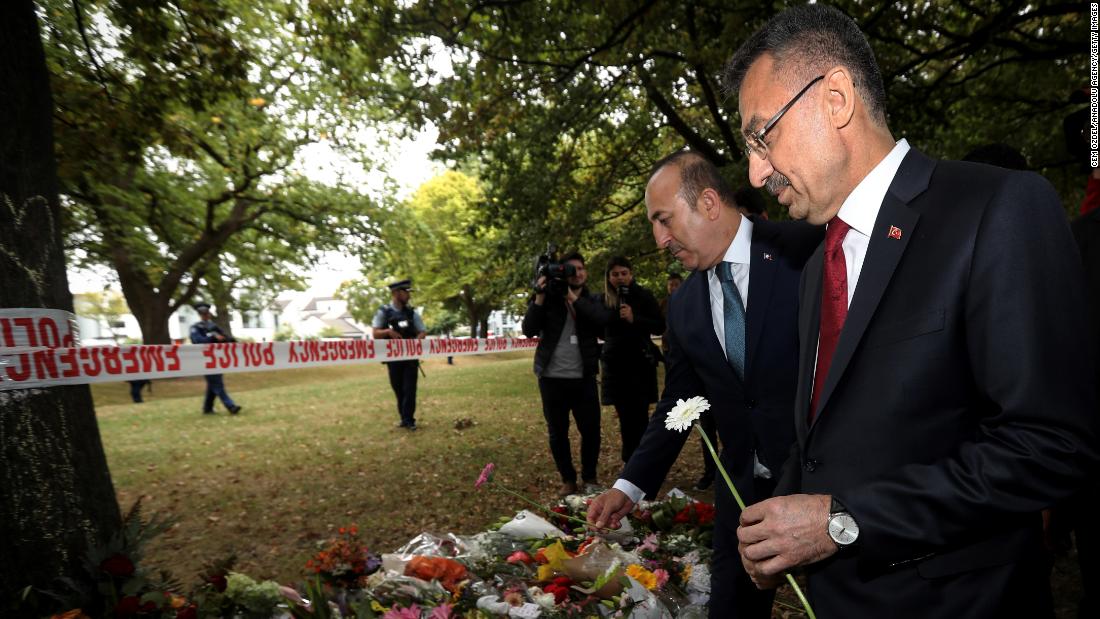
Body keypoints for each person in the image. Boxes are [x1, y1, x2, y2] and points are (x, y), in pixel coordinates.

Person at [724, 5, 1097, 617]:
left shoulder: (997, 209)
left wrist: (844, 521)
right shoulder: (820, 263)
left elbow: (1051, 445)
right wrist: (779, 527)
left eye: (762, 136)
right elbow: (824, 435)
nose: (756, 170)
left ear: (836, 99)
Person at [587, 150, 821, 619]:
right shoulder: (686, 304)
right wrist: (629, 486)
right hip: (741, 494)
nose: (659, 240)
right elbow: (680, 400)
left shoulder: (807, 250)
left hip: (822, 489)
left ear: (709, 203)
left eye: (664, 220)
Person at [522, 251, 605, 497]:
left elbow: (601, 323)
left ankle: (589, 477)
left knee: (590, 430)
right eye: (571, 269)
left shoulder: (593, 299)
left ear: (585, 272)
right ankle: (568, 479)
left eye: (580, 269)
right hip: (551, 378)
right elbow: (529, 330)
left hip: (584, 377)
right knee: (558, 432)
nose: (576, 273)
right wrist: (538, 295)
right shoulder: (547, 298)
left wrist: (573, 298)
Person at [597, 256, 664, 464]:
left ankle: (643, 463)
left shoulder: (643, 296)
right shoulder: (603, 300)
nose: (620, 278)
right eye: (615, 274)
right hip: (616, 367)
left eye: (624, 273)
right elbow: (599, 328)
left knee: (641, 419)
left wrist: (636, 319)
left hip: (640, 366)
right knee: (625, 419)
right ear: (609, 277)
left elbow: (659, 325)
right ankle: (629, 463)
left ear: (631, 274)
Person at [372, 279, 427, 431]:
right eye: (406, 292)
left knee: (410, 389)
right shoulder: (383, 312)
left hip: (410, 358)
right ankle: (404, 418)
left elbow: (422, 331)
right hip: (392, 359)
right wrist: (388, 332)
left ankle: (409, 420)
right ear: (396, 293)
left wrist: (416, 342)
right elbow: (375, 333)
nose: (409, 295)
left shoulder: (411, 313)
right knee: (398, 389)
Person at [189, 302, 241, 415]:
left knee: (213, 383)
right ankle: (231, 406)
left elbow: (224, 337)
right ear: (200, 314)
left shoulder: (213, 326)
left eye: (207, 313)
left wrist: (229, 340)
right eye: (203, 313)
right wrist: (213, 337)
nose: (206, 315)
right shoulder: (195, 328)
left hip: (217, 359)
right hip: (205, 360)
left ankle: (207, 408)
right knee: (217, 383)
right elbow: (198, 341)